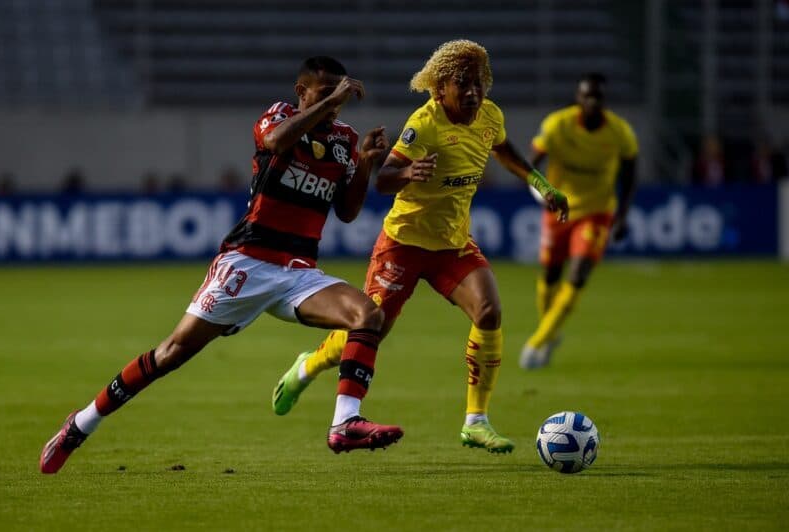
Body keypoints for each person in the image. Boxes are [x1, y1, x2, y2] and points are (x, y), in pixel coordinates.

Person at [39, 56, 403, 474]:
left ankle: (344, 422)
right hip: (247, 262)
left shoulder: (344, 139)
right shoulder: (279, 116)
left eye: (340, 96)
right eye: (325, 94)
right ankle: (81, 423)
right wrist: (326, 104)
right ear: (302, 92)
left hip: (299, 272)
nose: (336, 105)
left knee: (368, 315)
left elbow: (348, 211)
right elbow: (277, 143)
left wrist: (366, 162)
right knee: (171, 354)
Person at [270, 40, 568, 453]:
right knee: (370, 328)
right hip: (403, 244)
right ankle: (310, 364)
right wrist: (408, 171)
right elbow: (384, 178)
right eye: (462, 83)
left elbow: (504, 149)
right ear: (439, 88)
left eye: (478, 83)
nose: (473, 92)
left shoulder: (490, 116)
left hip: (452, 244)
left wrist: (541, 184)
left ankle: (476, 421)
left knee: (489, 311)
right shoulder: (424, 124)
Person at [519, 72, 638, 369]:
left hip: (597, 212)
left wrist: (622, 216)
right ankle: (551, 330)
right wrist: (540, 191)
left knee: (579, 273)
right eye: (587, 96)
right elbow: (530, 164)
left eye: (598, 97)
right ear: (578, 99)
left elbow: (631, 173)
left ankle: (537, 342)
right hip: (560, 209)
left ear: (604, 101)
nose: (593, 102)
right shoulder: (557, 125)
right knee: (550, 276)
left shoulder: (620, 133)